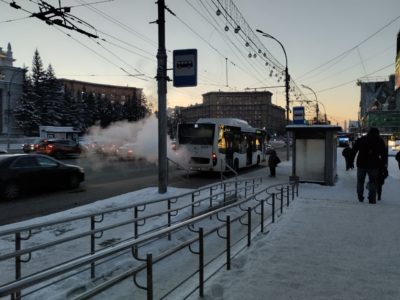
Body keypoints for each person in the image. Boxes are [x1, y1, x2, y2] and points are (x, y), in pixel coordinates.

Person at [350, 127, 387, 204]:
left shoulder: (362, 139)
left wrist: (351, 161)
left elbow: (354, 150)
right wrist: (383, 165)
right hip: (374, 165)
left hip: (361, 164)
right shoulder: (379, 141)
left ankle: (360, 197)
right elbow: (384, 154)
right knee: (373, 182)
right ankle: (371, 199)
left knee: (360, 181)